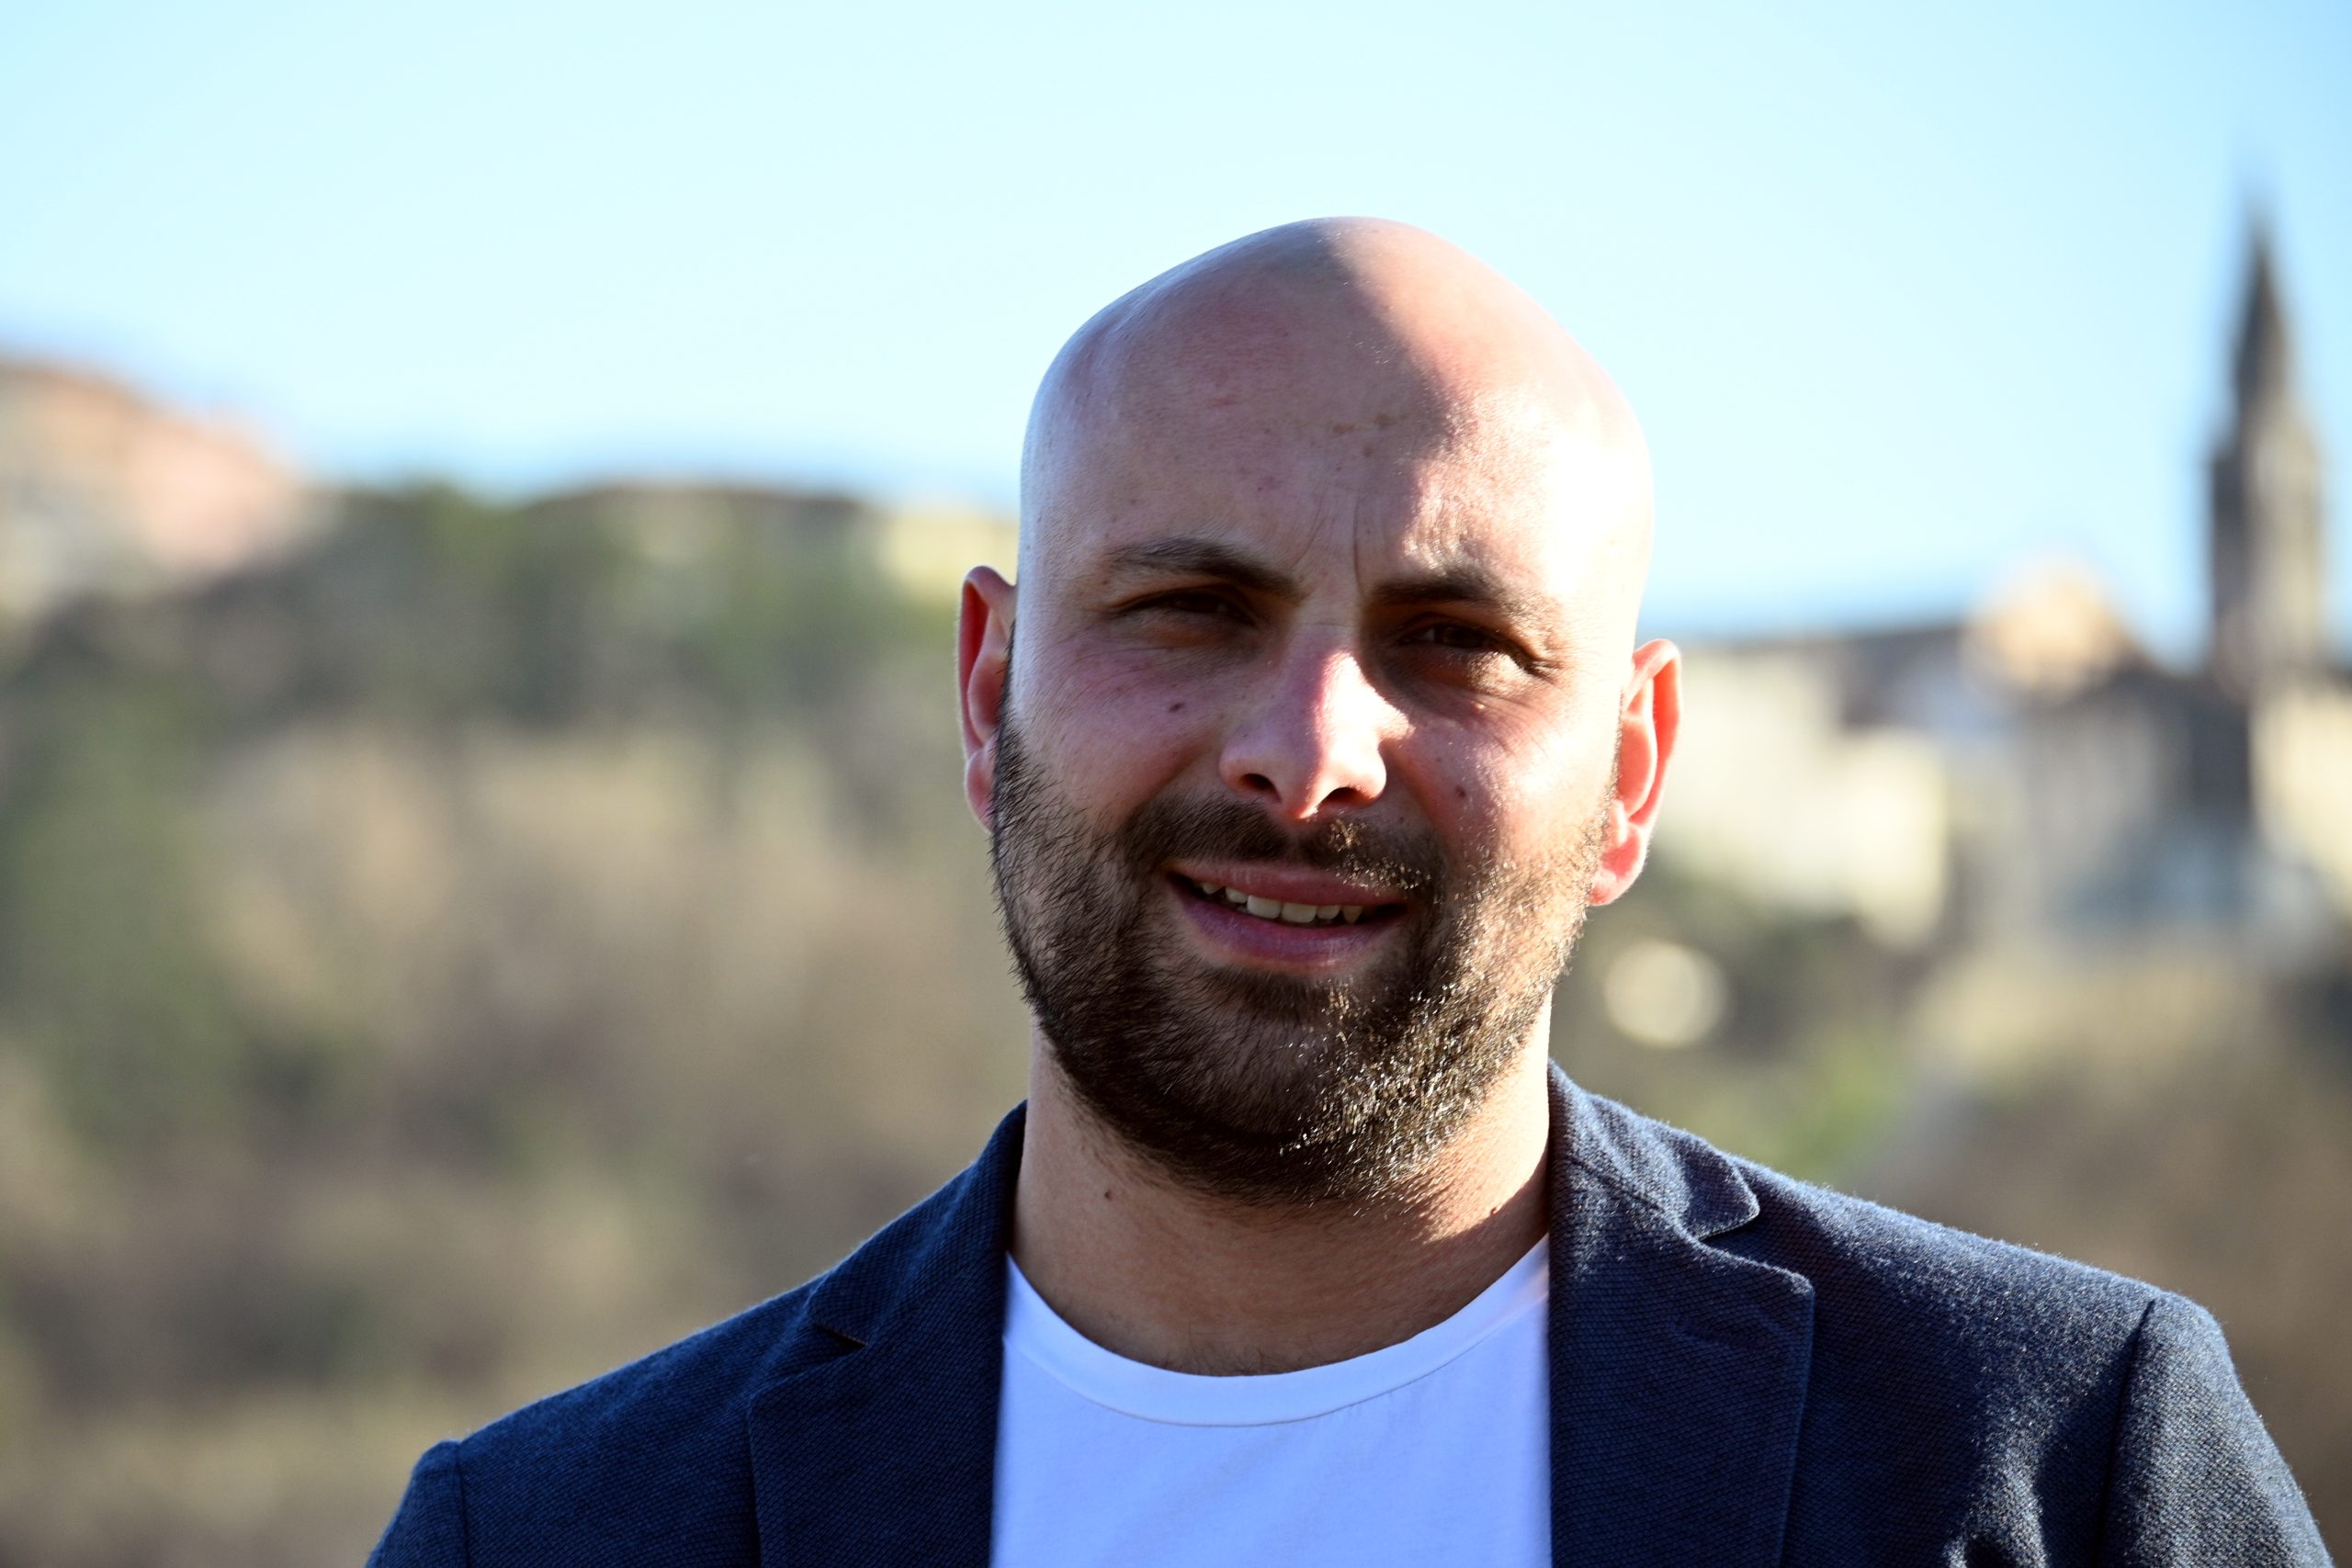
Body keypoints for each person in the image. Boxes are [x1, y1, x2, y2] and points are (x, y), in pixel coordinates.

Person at [369, 219, 2329, 1566]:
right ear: (987, 692)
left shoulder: (2058, 1466)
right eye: (1187, 607)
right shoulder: (544, 1539)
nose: (1308, 752)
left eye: (1456, 641)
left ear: (1632, 774)